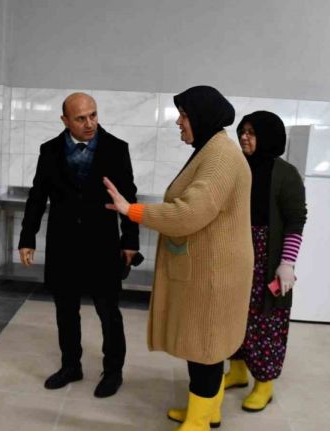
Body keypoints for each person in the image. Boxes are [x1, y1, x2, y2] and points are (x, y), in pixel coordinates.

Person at [103, 85, 253, 430]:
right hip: (210, 268)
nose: (179, 122)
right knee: (204, 345)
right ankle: (207, 411)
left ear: (201, 116)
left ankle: (199, 422)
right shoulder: (212, 149)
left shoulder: (220, 157)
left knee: (205, 347)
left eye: (184, 115)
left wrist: (132, 211)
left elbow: (188, 213)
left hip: (214, 273)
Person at [18, 92, 140, 398]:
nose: (90, 123)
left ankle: (113, 371)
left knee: (108, 312)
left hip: (102, 245)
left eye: (93, 115)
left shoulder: (115, 148)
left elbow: (128, 197)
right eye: (81, 118)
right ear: (65, 120)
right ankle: (71, 365)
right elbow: (37, 196)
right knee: (65, 310)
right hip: (63, 245)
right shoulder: (50, 150)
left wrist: (130, 240)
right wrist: (27, 237)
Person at [222, 111, 307, 412]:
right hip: (237, 254)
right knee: (234, 315)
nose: (244, 137)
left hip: (267, 260)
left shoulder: (286, 174)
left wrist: (287, 263)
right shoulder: (238, 167)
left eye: (252, 132)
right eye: (242, 131)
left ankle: (264, 384)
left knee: (266, 323)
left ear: (268, 137)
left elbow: (296, 220)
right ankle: (237, 371)